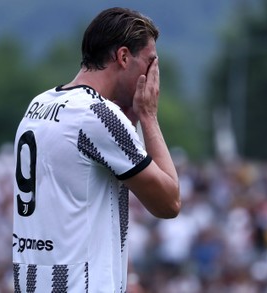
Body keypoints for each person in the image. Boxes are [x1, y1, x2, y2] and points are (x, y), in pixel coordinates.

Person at [12, 7, 180, 292]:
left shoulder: (38, 104)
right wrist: (149, 115)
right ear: (124, 57)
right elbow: (169, 202)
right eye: (150, 63)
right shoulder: (98, 115)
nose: (153, 75)